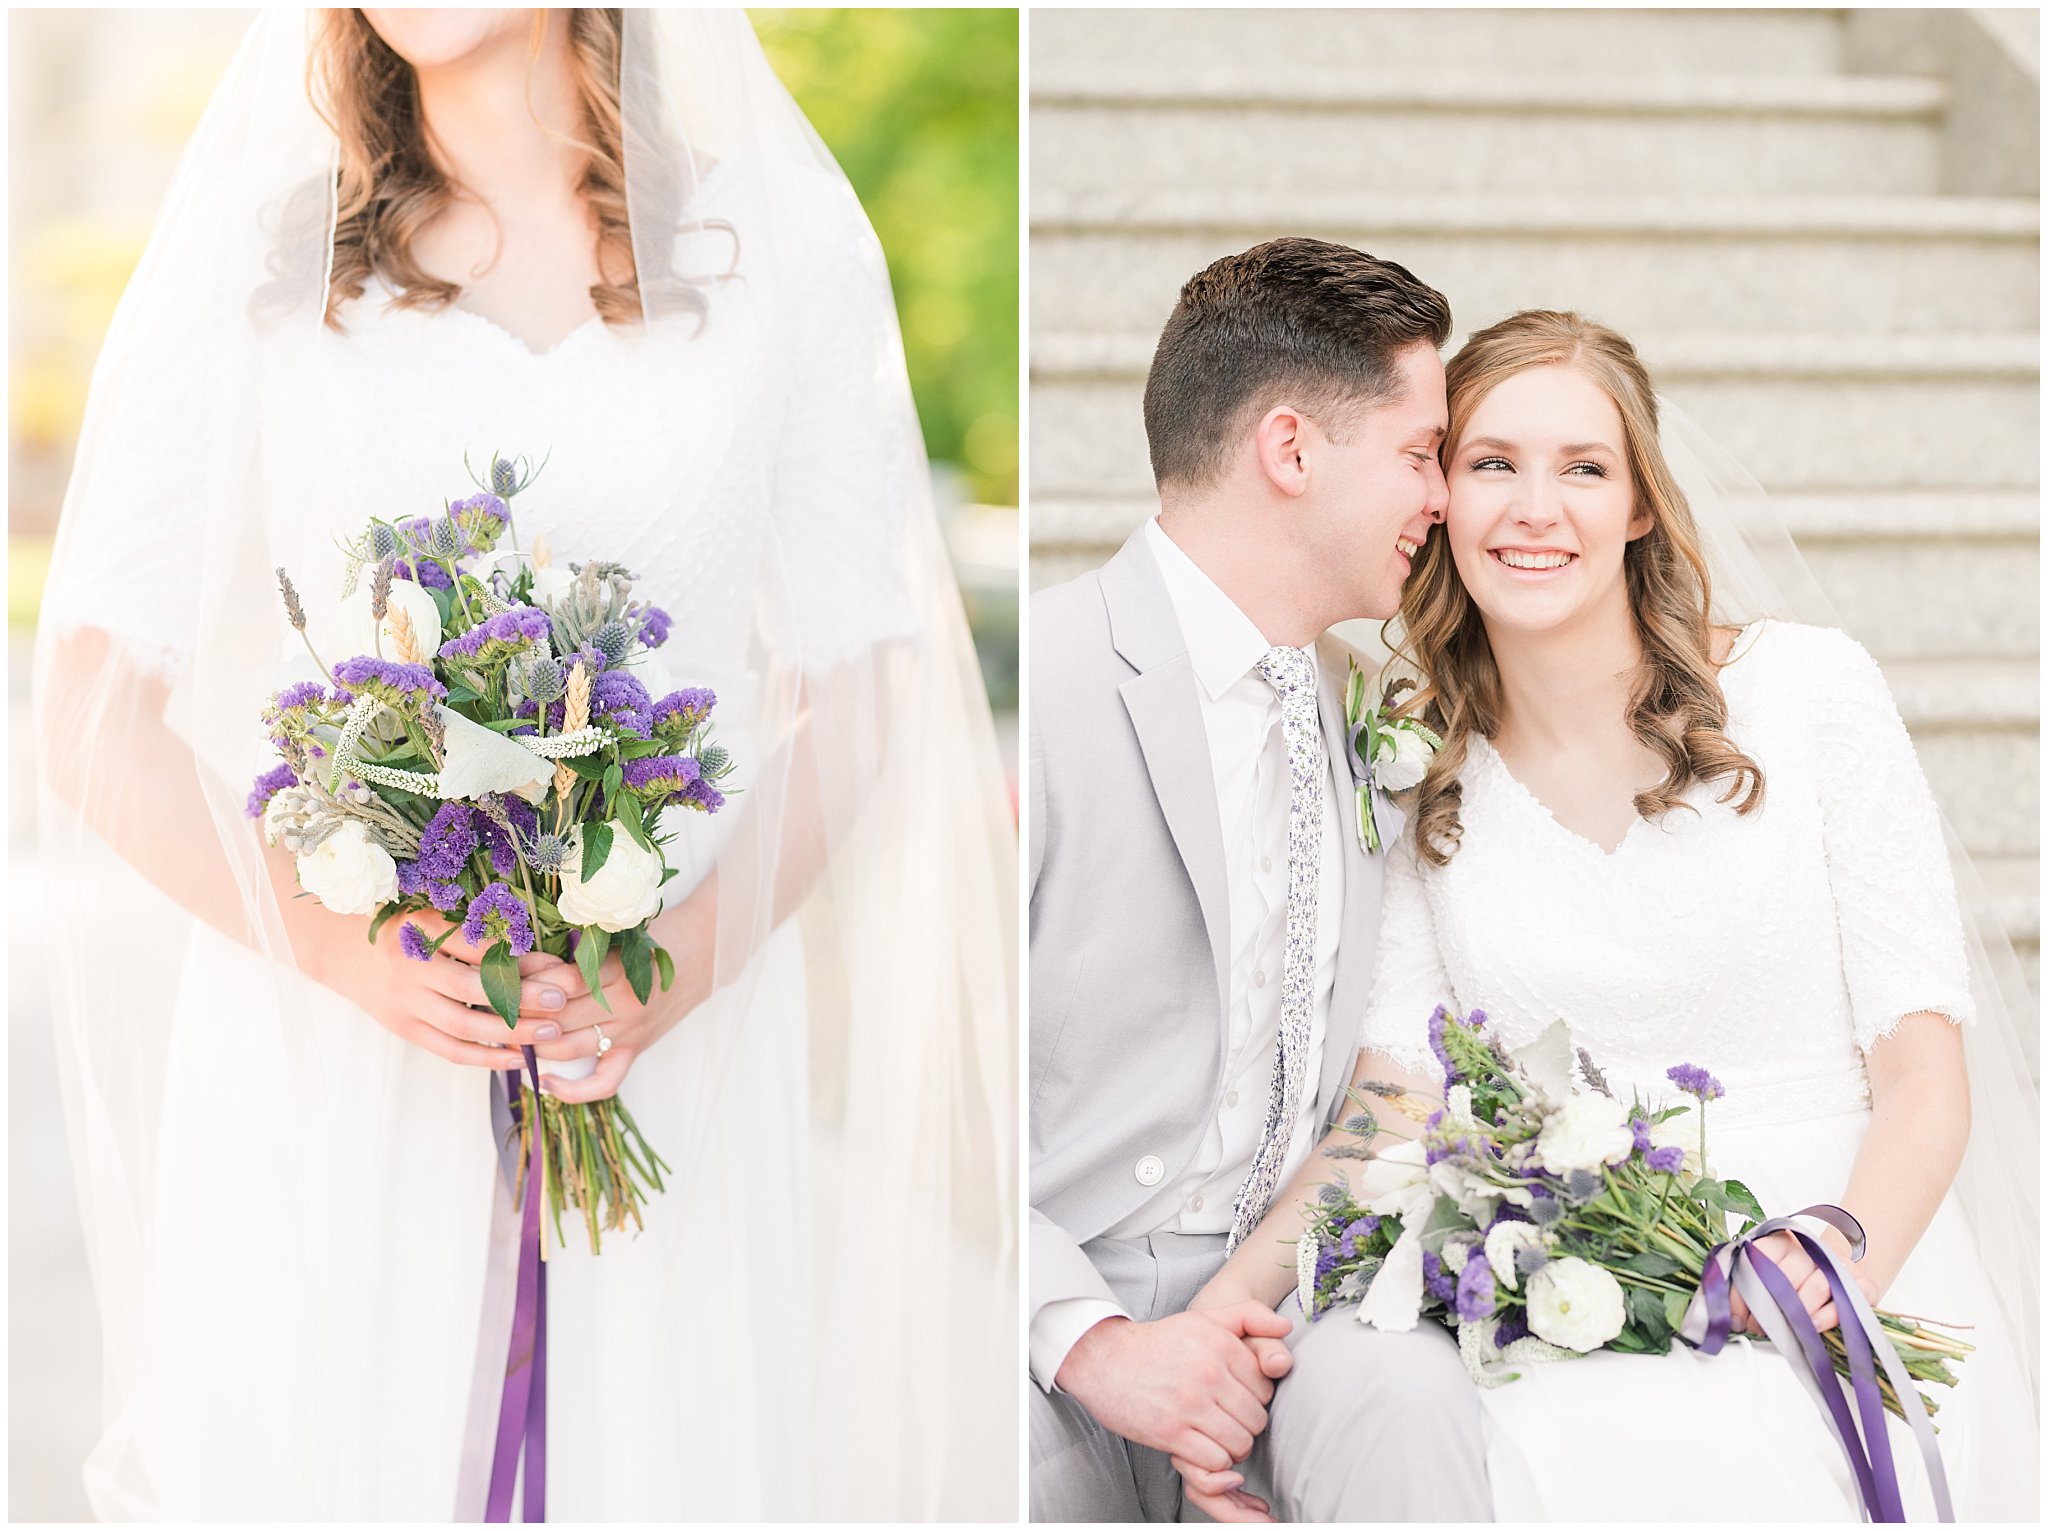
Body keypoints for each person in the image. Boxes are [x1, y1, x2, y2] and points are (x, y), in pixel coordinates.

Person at [34, 9, 1014, 1519]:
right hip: (343, 1052)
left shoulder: (784, 242)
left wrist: (670, 966)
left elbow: (865, 679)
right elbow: (91, 706)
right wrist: (354, 953)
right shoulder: (258, 257)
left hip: (655, 1056)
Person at [1197, 309, 2039, 1521]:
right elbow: (1394, 1096)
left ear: (1638, 503)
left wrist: (1832, 1254)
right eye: (1492, 463)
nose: (1533, 508)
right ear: (1441, 496)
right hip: (1570, 1268)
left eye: (1581, 469)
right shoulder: (1419, 758)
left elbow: (1922, 1076)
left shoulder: (1809, 694)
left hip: (1840, 1231)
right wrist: (1223, 1311)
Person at [1028, 236, 1491, 1523]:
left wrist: (1229, 1339)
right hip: (1041, 1310)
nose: (1444, 497)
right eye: (1417, 453)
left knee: (1411, 1402)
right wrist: (1092, 1341)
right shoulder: (1046, 682)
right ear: (1290, 451)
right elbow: (911, 1096)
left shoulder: (1374, 711)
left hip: (1286, 1305)